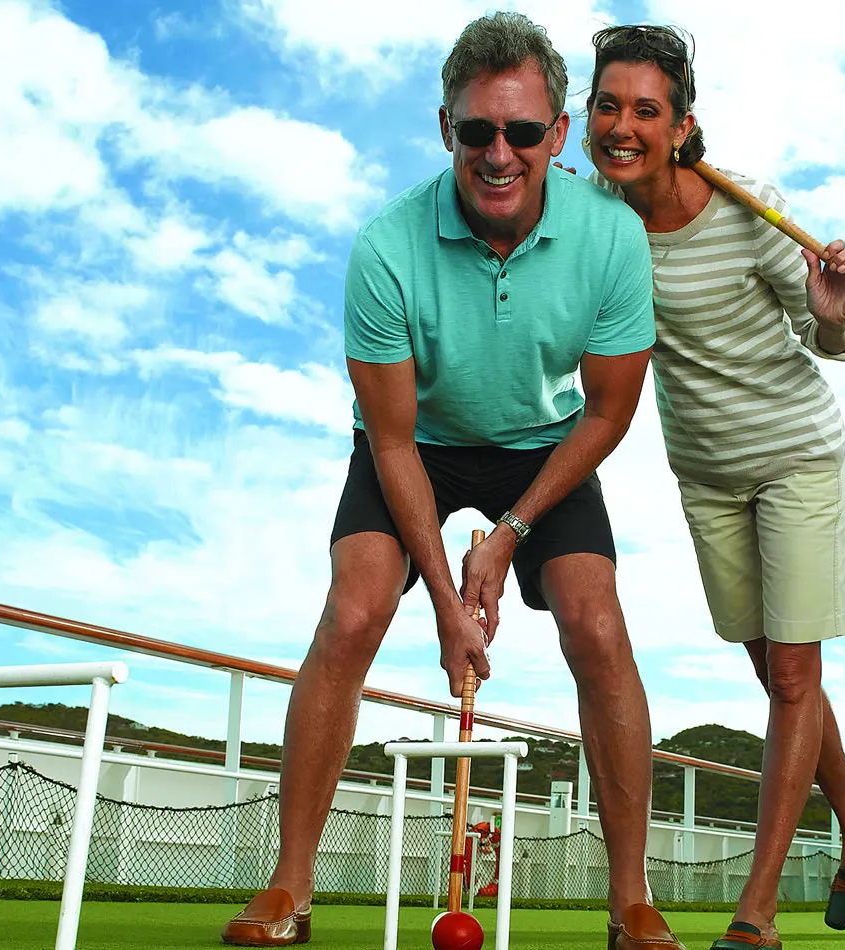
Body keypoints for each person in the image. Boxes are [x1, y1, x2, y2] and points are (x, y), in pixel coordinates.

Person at [221, 13, 687, 949]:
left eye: (523, 132)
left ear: (559, 136)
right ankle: (288, 887)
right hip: (418, 445)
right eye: (478, 131)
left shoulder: (613, 238)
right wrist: (445, 597)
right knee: (354, 610)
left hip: (547, 443)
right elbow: (391, 443)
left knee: (596, 623)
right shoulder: (387, 247)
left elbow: (607, 415)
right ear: (447, 130)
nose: (500, 153)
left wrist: (508, 532)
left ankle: (631, 900)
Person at [573, 23, 845, 949]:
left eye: (646, 110)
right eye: (608, 106)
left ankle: (755, 915)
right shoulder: (594, 216)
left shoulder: (748, 209)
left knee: (794, 674)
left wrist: (833, 315)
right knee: (771, 667)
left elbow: (829, 337)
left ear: (682, 127)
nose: (623, 125)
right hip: (706, 474)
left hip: (795, 456)